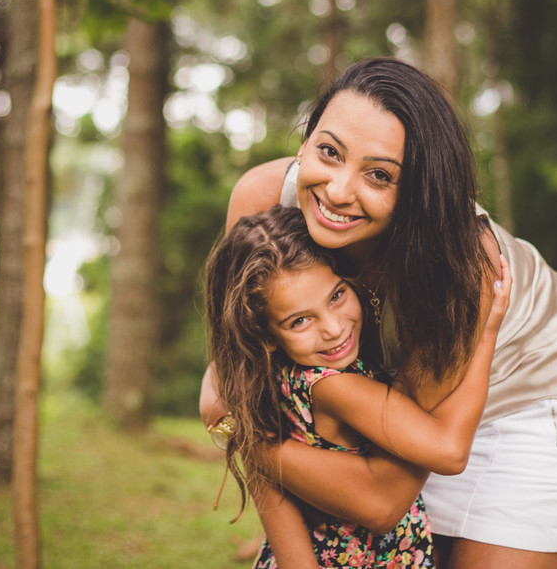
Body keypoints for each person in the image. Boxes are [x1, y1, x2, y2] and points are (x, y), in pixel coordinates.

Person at [203, 56, 557, 569]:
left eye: (379, 175)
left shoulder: (461, 269)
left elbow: (380, 500)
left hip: (533, 396)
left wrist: (244, 435)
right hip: (398, 405)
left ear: (420, 191)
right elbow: (244, 388)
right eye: (329, 152)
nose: (337, 191)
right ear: (305, 143)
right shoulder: (263, 203)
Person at [204, 204, 510, 569]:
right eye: (300, 320)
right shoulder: (332, 387)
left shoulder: (274, 380)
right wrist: (485, 333)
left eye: (336, 296)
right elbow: (449, 450)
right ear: (265, 334)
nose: (332, 328)